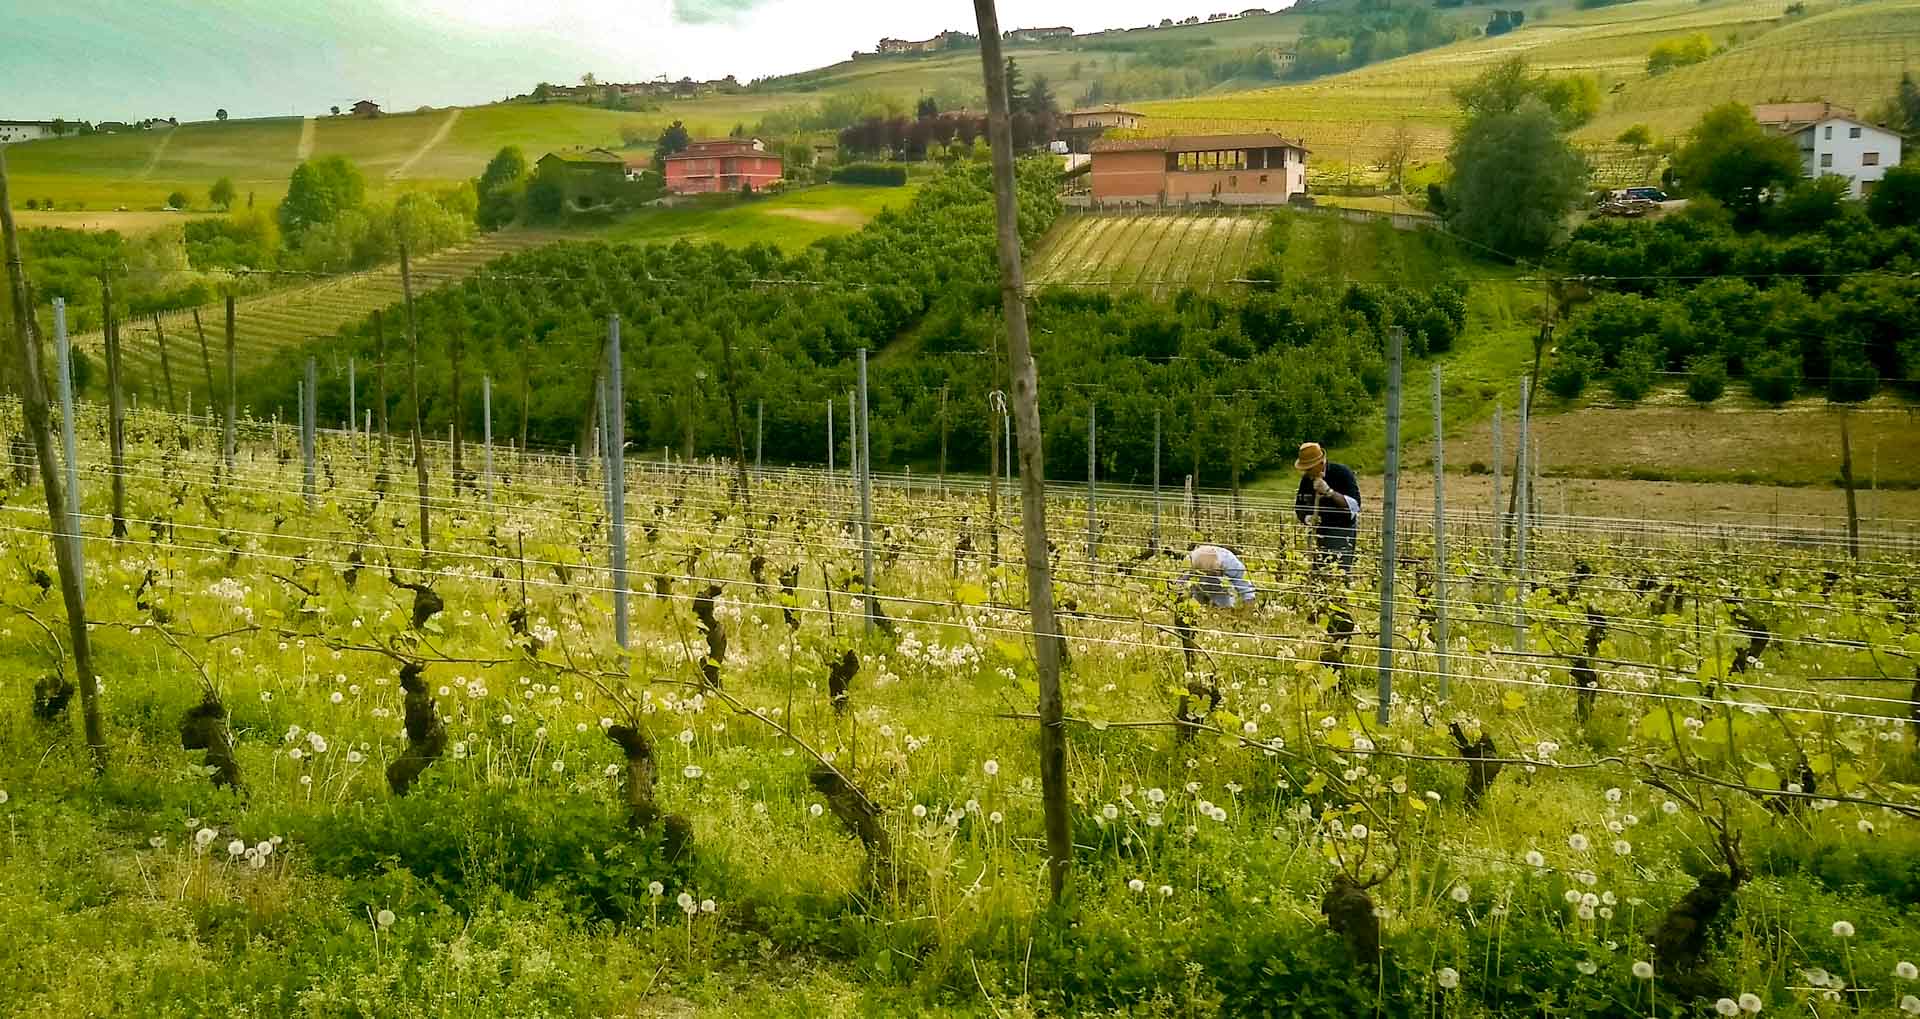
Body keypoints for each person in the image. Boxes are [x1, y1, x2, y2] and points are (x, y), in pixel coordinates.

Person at [1293, 442, 1361, 575]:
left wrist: (1329, 492)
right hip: (1318, 534)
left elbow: (1354, 506)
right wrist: (1307, 518)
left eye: (1309, 468)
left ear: (1320, 462)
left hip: (1341, 533)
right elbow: (1299, 505)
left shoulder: (1342, 473)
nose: (1306, 471)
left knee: (1338, 574)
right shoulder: (1307, 479)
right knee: (1318, 575)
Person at [1182, 543, 1256, 609]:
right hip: (1204, 565)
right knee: (1206, 586)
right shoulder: (1192, 561)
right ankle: (1208, 608)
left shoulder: (1230, 562)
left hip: (1223, 560)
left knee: (1243, 586)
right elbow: (1182, 578)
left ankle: (1231, 609)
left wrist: (1249, 604)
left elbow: (1243, 583)